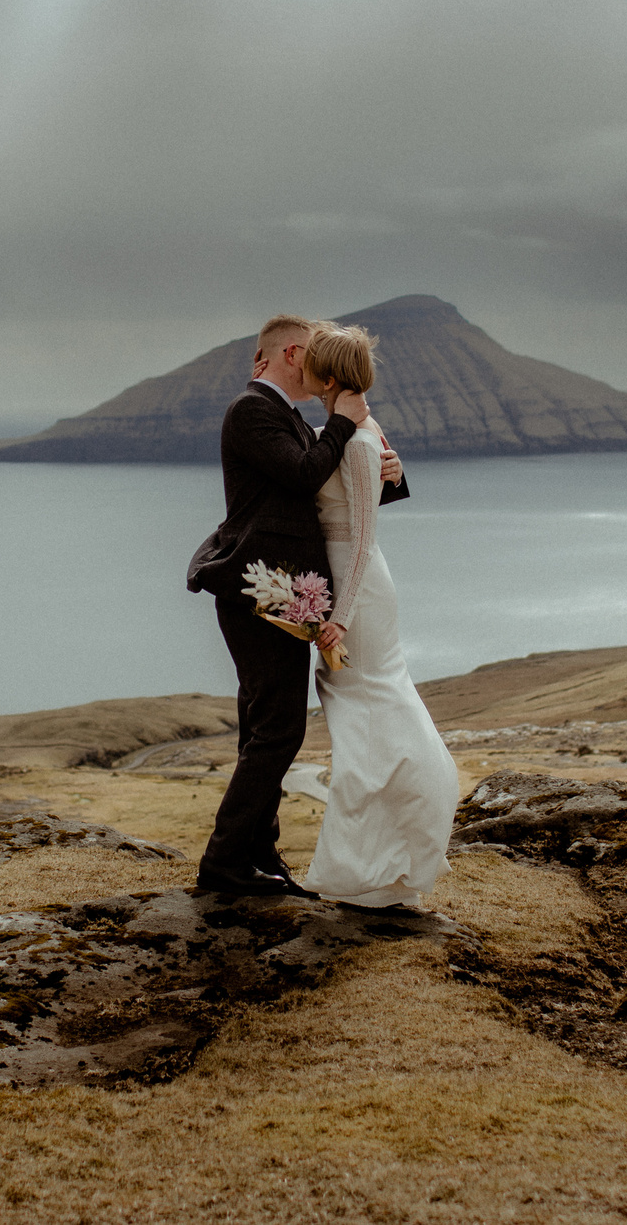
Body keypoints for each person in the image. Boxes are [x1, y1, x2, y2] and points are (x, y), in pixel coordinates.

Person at [185, 312, 404, 898]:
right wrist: (343, 421)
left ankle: (258, 854)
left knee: (264, 728)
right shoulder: (252, 409)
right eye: (315, 353)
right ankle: (224, 863)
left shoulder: (289, 418)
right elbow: (305, 474)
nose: (324, 365)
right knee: (278, 732)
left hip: (281, 595)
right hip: (260, 594)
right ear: (291, 354)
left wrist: (390, 472)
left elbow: (335, 494)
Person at [293, 322, 456, 911]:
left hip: (356, 589)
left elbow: (363, 538)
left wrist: (340, 614)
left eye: (311, 363)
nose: (302, 369)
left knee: (369, 710)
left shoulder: (360, 442)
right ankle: (377, 858)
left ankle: (375, 857)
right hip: (348, 584)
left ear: (328, 377)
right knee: (362, 714)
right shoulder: (352, 431)